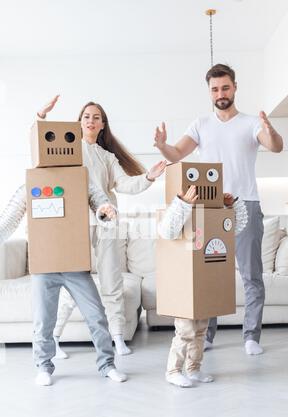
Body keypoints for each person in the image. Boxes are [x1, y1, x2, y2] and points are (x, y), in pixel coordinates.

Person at [154, 63, 283, 356]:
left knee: (251, 275)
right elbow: (177, 153)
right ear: (209, 92)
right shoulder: (200, 124)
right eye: (215, 89)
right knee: (209, 272)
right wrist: (162, 146)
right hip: (209, 207)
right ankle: (206, 334)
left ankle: (251, 336)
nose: (220, 93)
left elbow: (275, 146)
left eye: (225, 87)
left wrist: (271, 130)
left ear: (235, 87)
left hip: (245, 204)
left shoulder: (251, 123)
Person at [38, 96, 166, 357]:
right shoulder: (69, 149)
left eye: (96, 117)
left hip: (108, 222)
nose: (91, 120)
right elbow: (43, 144)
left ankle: (117, 338)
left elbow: (126, 185)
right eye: (86, 116)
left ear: (103, 124)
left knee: (112, 281)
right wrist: (41, 117)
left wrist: (149, 176)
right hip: (75, 224)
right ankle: (55, 337)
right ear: (80, 121)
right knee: (71, 283)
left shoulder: (107, 157)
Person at [0, 184, 128, 385]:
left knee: (96, 316)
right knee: (43, 320)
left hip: (74, 264)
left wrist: (106, 211)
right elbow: (8, 221)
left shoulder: (80, 180)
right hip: (44, 266)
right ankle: (43, 367)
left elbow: (101, 205)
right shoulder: (30, 185)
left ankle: (107, 365)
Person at [158, 186, 247, 387]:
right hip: (182, 284)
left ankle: (193, 368)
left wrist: (231, 206)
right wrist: (182, 203)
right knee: (185, 330)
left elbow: (234, 227)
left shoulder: (210, 218)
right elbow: (167, 231)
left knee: (200, 329)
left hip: (203, 282)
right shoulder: (175, 217)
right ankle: (172, 370)